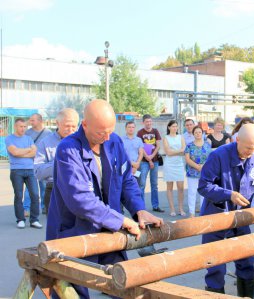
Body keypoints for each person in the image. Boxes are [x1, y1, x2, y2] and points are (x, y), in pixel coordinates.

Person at [46, 99, 163, 298]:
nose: (106, 137)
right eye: (101, 132)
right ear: (85, 125)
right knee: (71, 291)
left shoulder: (114, 141)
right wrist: (120, 220)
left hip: (109, 229)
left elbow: (126, 179)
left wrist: (138, 210)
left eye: (110, 130)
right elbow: (80, 200)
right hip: (75, 230)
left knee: (123, 283)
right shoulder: (68, 149)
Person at [198, 123, 254, 298]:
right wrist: (228, 194)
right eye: (248, 148)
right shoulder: (218, 156)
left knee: (246, 260)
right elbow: (204, 186)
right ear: (237, 140)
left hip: (242, 217)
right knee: (215, 264)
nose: (251, 153)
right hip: (216, 216)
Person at [34, 108, 79, 215]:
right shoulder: (45, 143)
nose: (71, 130)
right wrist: (59, 163)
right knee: (56, 229)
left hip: (78, 189)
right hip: (54, 190)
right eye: (67, 126)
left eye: (74, 126)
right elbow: (38, 172)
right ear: (57, 123)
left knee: (79, 230)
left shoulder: (82, 141)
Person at [5, 118, 42, 229]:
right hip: (17, 171)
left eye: (25, 126)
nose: (23, 129)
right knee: (19, 196)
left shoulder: (29, 138)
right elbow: (14, 152)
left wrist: (21, 152)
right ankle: (20, 220)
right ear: (15, 127)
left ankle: (34, 220)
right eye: (21, 126)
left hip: (30, 170)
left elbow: (34, 153)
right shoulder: (9, 139)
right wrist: (27, 150)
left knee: (35, 195)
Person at [24, 113, 52, 215]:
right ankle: (26, 208)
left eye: (32, 120)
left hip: (43, 164)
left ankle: (44, 206)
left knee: (44, 186)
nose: (30, 122)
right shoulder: (27, 133)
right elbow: (24, 148)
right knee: (29, 188)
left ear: (40, 120)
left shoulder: (48, 133)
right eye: (30, 120)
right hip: (30, 164)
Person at [137, 114, 164, 213]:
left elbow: (158, 146)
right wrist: (148, 159)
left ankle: (155, 206)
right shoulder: (140, 133)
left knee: (154, 184)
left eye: (150, 121)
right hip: (144, 162)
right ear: (143, 122)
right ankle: (141, 207)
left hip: (155, 161)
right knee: (142, 185)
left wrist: (152, 158)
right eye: (147, 121)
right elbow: (140, 147)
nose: (149, 123)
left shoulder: (155, 131)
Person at [184, 126, 212, 217]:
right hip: (192, 172)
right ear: (193, 134)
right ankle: (191, 213)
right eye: (196, 132)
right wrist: (197, 166)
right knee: (192, 192)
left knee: (203, 193)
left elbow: (210, 158)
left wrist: (203, 166)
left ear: (202, 133)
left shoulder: (207, 144)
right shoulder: (189, 145)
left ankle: (203, 211)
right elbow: (187, 159)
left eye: (199, 132)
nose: (198, 134)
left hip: (205, 172)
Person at [163, 120, 186, 216]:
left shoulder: (181, 137)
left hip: (179, 164)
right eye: (173, 126)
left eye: (176, 126)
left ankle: (181, 208)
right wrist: (179, 151)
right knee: (169, 187)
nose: (175, 128)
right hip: (169, 164)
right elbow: (168, 152)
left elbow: (184, 150)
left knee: (181, 187)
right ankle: (172, 209)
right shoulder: (166, 138)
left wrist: (174, 151)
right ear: (169, 127)